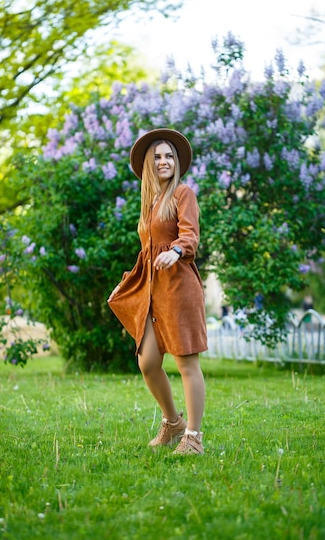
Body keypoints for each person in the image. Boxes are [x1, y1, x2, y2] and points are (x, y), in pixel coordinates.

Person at [108, 129, 207, 455]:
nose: (163, 161)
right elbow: (148, 252)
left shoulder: (183, 194)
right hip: (153, 290)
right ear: (149, 164)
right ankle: (173, 422)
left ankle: (193, 436)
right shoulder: (150, 202)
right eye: (158, 157)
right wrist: (129, 282)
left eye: (168, 156)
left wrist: (177, 251)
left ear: (176, 162)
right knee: (147, 361)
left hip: (179, 287)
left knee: (186, 364)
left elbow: (189, 236)